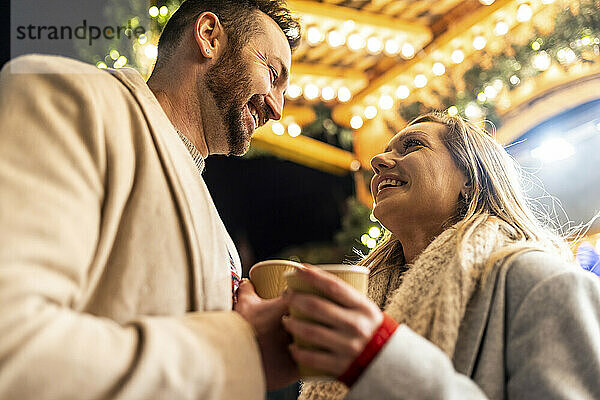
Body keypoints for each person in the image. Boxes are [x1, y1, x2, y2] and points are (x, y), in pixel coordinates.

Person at [0, 1, 300, 398]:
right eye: (273, 74)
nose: (278, 109)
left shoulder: (213, 219)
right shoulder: (74, 98)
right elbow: (13, 343)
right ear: (209, 36)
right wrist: (239, 352)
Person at [276, 112, 600, 399]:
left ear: (471, 180)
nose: (378, 161)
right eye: (385, 150)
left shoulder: (543, 283)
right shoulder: (371, 295)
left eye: (413, 145)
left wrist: (382, 358)